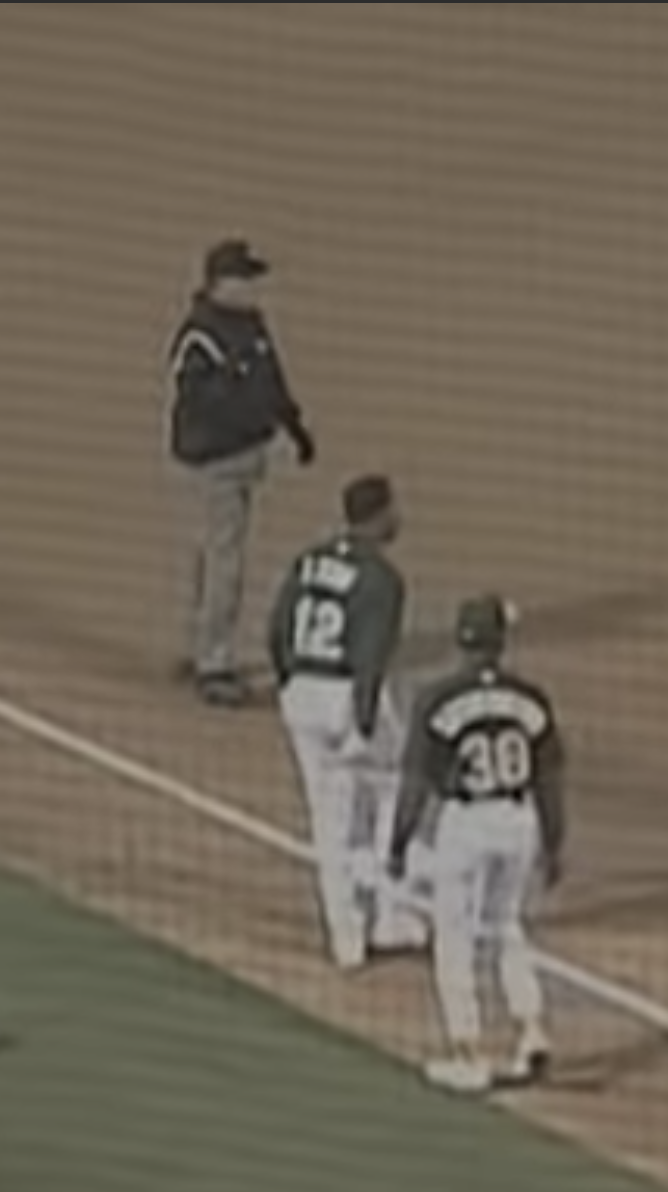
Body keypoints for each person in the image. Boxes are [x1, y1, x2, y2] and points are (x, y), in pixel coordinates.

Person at [388, 595, 564, 1095]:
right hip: (518, 821)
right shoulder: (532, 699)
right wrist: (554, 845)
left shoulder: (436, 698)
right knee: (505, 925)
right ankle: (531, 1029)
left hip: (466, 823)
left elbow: (416, 782)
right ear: (500, 642)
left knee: (455, 937)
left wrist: (399, 842)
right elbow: (549, 779)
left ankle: (469, 1052)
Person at [269, 475, 430, 970]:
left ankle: (346, 937)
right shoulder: (382, 579)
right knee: (391, 797)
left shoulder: (308, 561)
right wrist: (362, 722)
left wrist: (290, 683)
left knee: (330, 817)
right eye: (393, 510)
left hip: (301, 693)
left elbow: (277, 630)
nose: (398, 518)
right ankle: (391, 917)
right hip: (348, 697)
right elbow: (371, 656)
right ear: (377, 516)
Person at [166, 237, 318, 708]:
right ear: (220, 283)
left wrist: (294, 426)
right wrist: (247, 416)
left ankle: (200, 646)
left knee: (214, 554)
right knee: (225, 560)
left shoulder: (251, 325)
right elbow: (195, 399)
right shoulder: (200, 335)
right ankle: (213, 664)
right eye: (245, 279)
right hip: (215, 460)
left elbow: (273, 381)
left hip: (247, 453)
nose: (254, 287)